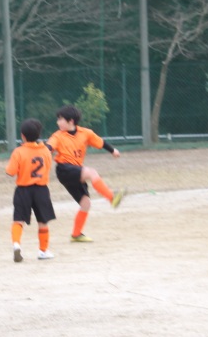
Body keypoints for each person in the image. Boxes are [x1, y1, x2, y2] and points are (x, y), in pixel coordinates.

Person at [47, 105, 124, 242]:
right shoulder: (58, 136)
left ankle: (76, 235)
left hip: (76, 171)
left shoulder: (86, 133)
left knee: (85, 203)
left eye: (60, 119)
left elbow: (101, 142)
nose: (58, 122)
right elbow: (49, 147)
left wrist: (113, 150)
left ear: (71, 121)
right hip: (64, 170)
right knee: (91, 172)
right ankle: (111, 198)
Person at [7, 118, 56, 262]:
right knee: (43, 221)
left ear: (22, 135)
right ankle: (43, 251)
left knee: (18, 219)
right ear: (39, 134)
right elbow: (47, 168)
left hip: (23, 190)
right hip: (41, 190)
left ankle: (16, 245)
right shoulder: (46, 151)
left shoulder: (18, 151)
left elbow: (10, 172)